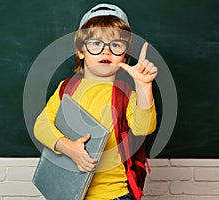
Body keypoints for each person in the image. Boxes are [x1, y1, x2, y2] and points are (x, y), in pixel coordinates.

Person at [34, 3, 158, 200]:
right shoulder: (66, 88)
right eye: (96, 43)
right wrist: (69, 148)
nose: (105, 52)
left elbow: (144, 128)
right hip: (67, 191)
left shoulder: (125, 95)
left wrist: (144, 88)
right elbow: (41, 125)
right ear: (80, 51)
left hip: (114, 194)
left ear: (124, 57)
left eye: (115, 45)